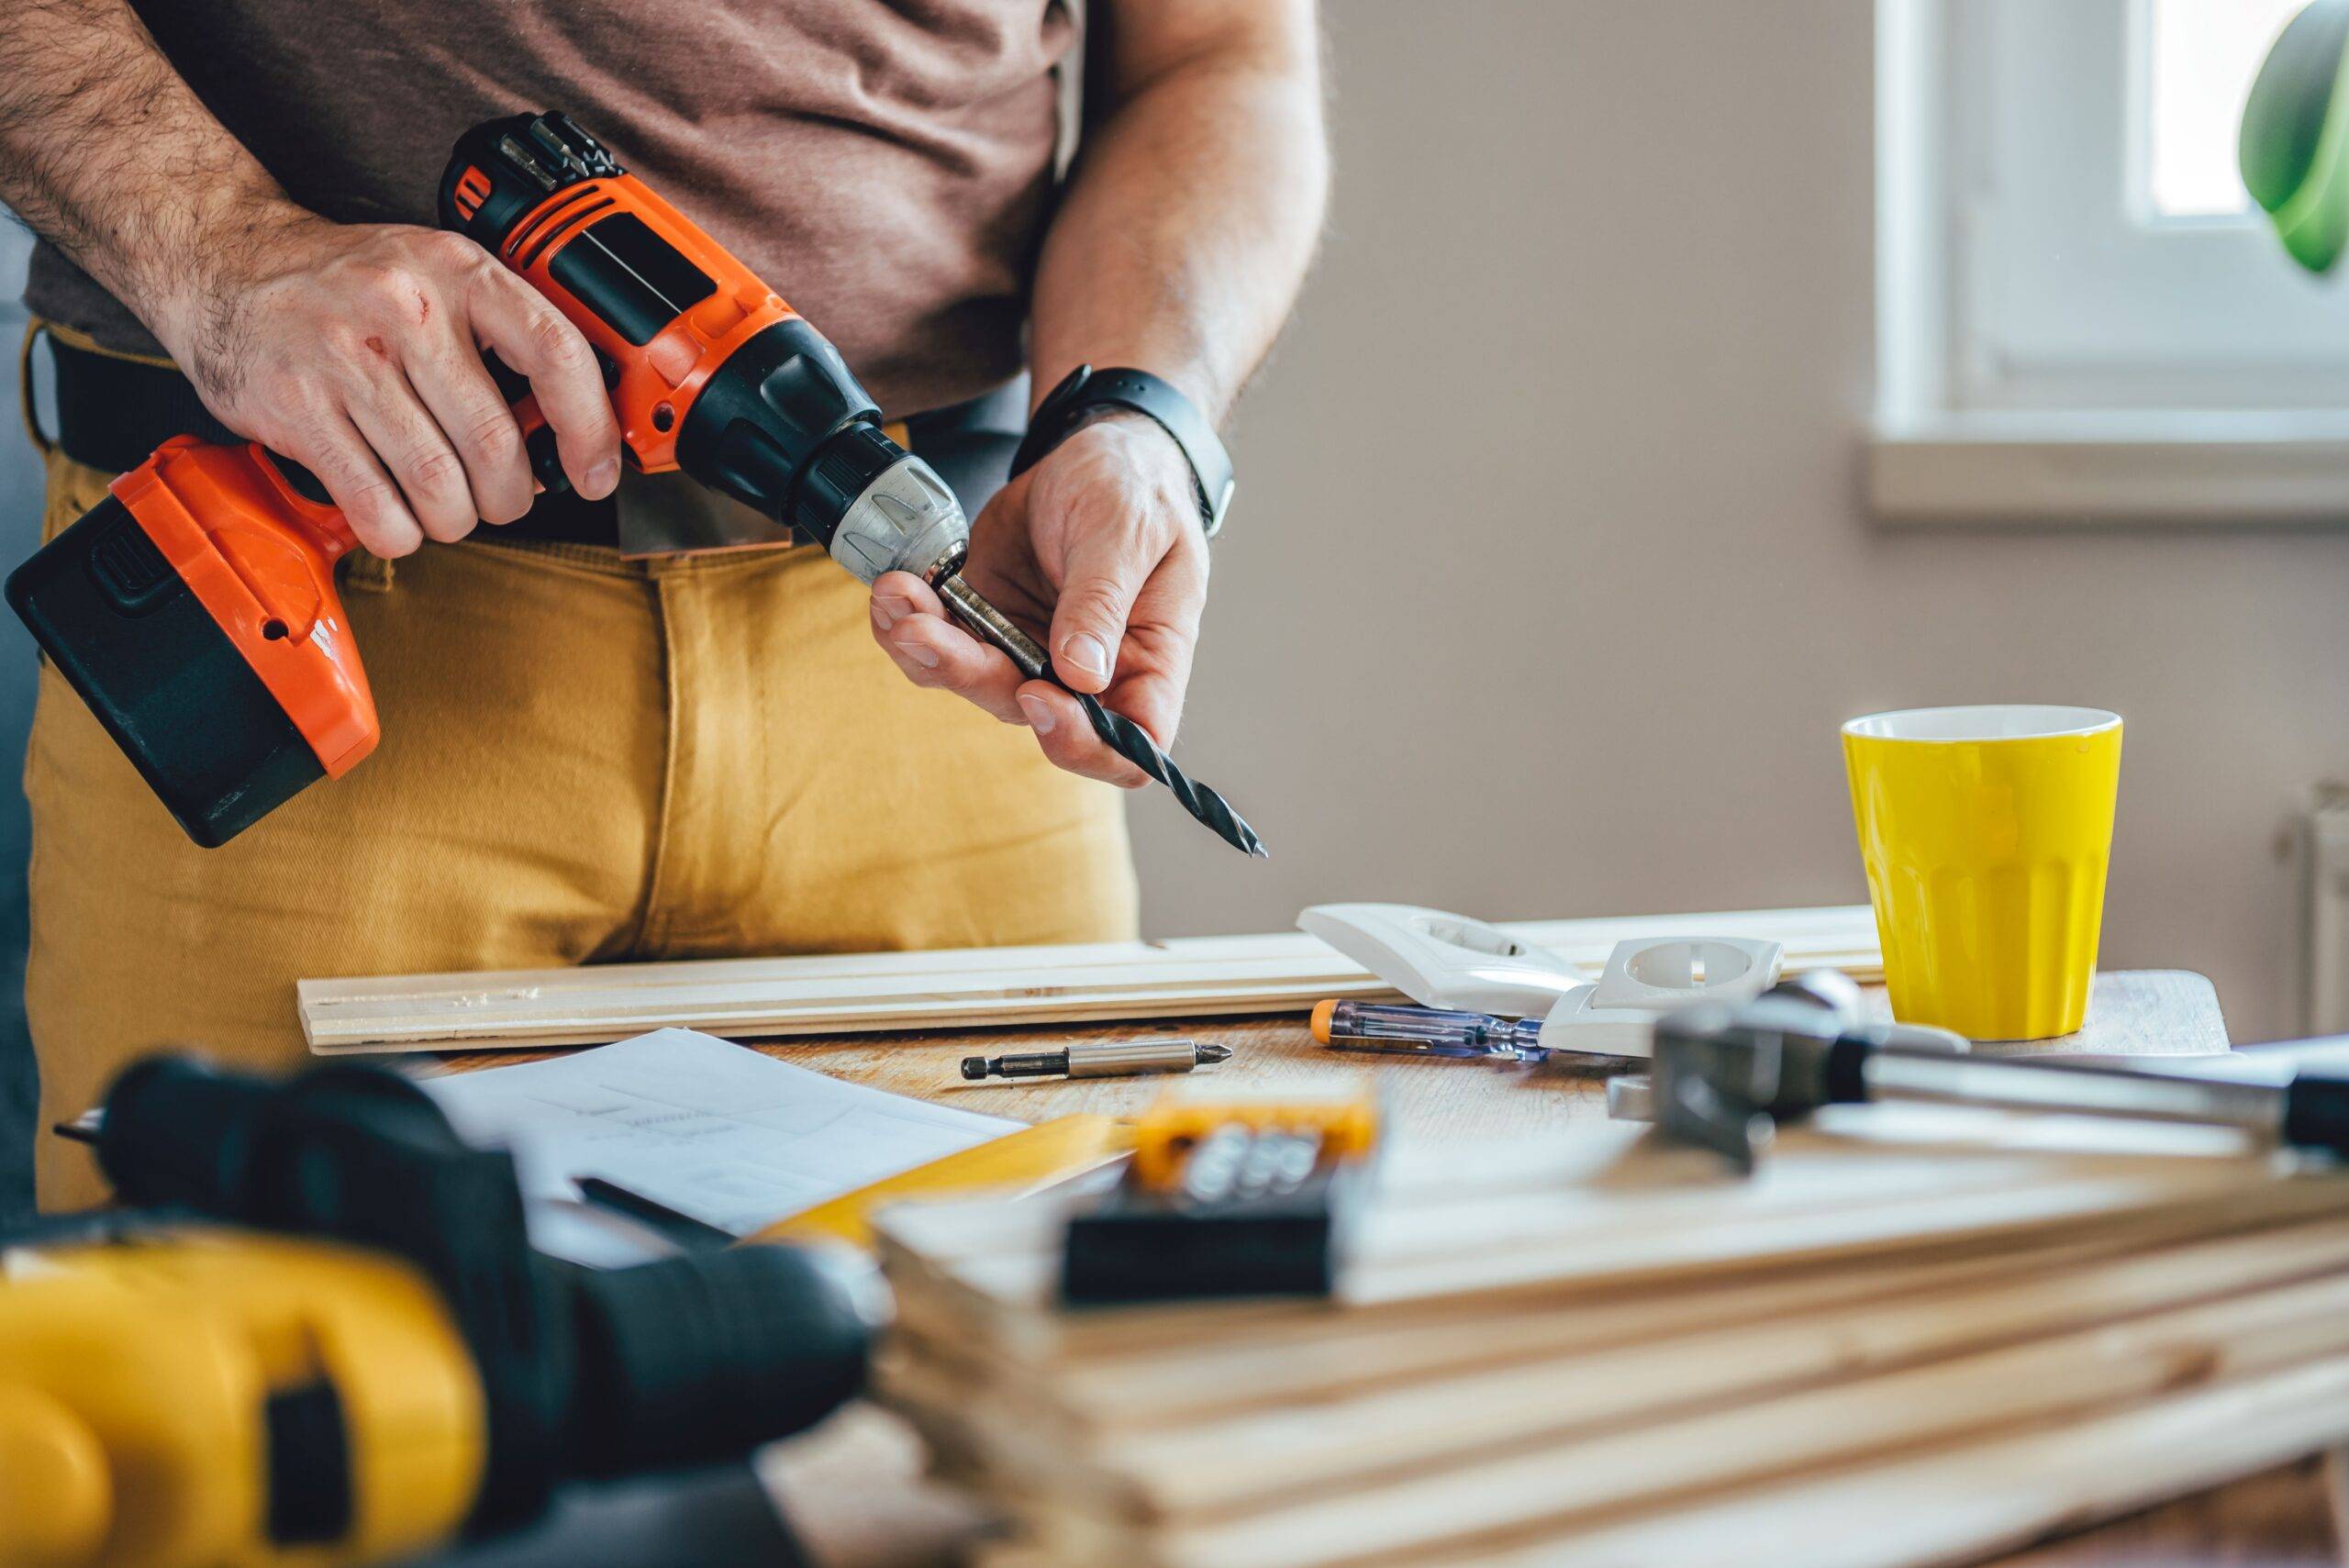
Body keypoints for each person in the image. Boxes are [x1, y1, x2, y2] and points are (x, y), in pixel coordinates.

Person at [0, 0, 1327, 1209]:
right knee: (243, 1399)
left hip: (951, 670)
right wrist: (225, 249)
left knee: (1001, 1372)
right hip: (299, 606)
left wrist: (1140, 419)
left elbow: (1220, 56)